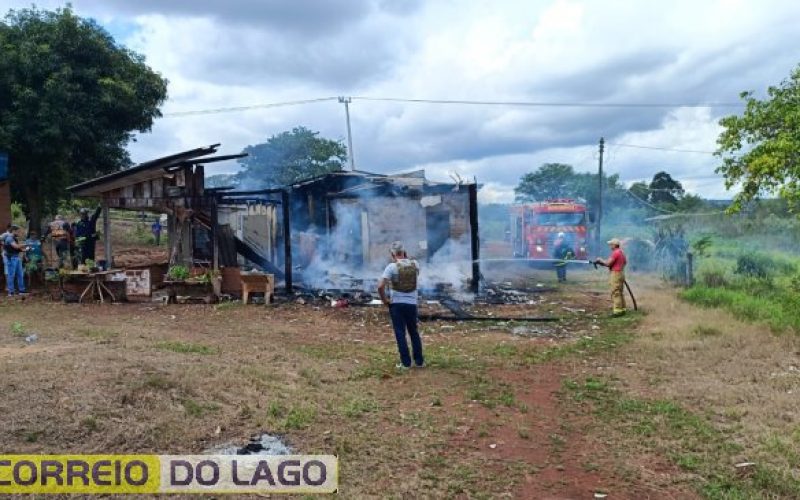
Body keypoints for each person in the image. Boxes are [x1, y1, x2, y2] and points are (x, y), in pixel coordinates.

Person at [377, 241, 425, 369]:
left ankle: (406, 363)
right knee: (414, 332)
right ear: (405, 252)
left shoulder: (391, 267)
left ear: (392, 255)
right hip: (412, 304)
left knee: (400, 333)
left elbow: (380, 286)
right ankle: (419, 361)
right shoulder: (415, 264)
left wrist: (384, 300)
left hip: (397, 304)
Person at [595, 238, 628, 316]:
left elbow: (608, 263)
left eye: (610, 244)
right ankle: (622, 309)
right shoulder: (621, 252)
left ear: (614, 245)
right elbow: (625, 262)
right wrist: (602, 263)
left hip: (615, 274)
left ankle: (617, 311)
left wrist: (600, 260)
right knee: (620, 292)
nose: (610, 246)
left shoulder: (615, 253)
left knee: (615, 292)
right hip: (621, 273)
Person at [3, 225, 28, 297]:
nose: (19, 233)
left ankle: (21, 291)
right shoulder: (9, 238)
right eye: (18, 231)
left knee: (20, 274)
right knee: (11, 275)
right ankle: (11, 292)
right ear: (13, 231)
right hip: (11, 259)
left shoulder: (14, 238)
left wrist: (25, 249)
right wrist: (25, 244)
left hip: (17, 258)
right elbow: (16, 246)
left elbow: (17, 249)